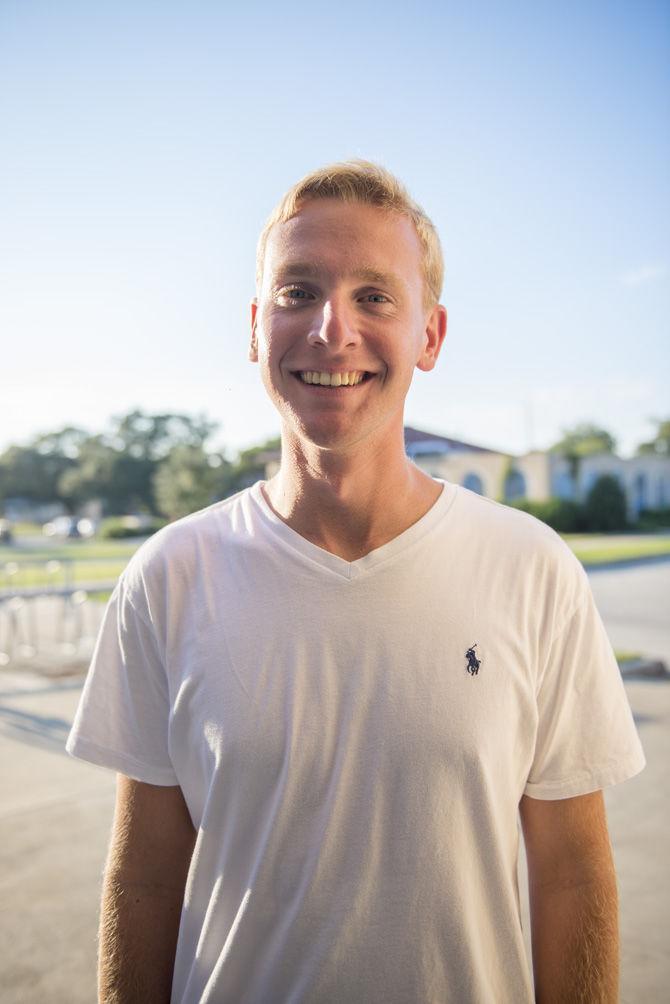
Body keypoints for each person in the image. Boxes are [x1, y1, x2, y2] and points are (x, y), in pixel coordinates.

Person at [67, 160, 645, 1003]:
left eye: (375, 296)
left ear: (431, 336)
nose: (330, 328)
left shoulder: (532, 569)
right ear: (256, 326)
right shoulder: (170, 576)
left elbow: (572, 876)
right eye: (298, 291)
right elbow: (146, 879)